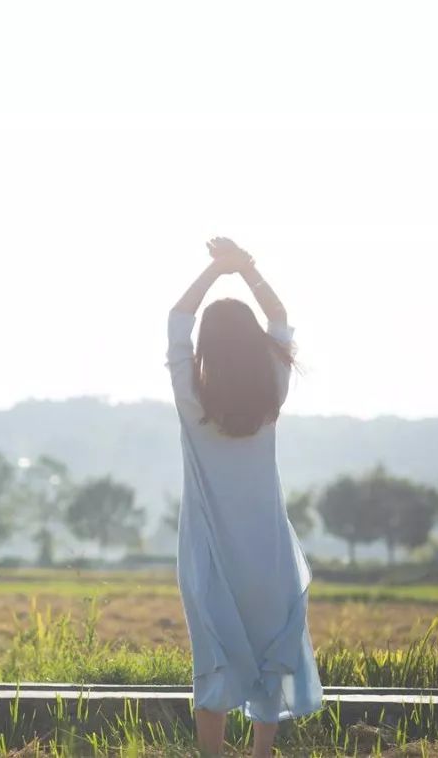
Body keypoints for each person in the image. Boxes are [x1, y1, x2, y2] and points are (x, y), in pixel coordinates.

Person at [166, 237, 323, 757]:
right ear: (254, 346)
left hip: (210, 554)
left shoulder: (194, 402)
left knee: (214, 657)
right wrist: (246, 269)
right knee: (266, 653)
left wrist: (217, 271)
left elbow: (178, 317)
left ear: (207, 350)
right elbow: (278, 315)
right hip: (268, 550)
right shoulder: (271, 392)